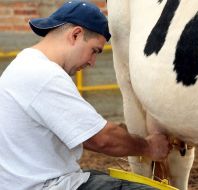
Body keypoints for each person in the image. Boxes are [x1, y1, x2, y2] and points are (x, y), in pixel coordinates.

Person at [0, 1, 170, 190]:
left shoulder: (24, 65)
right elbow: (102, 139)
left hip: (26, 182)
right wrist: (149, 147)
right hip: (48, 186)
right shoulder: (44, 75)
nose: (92, 62)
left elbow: (81, 133)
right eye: (94, 51)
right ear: (75, 35)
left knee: (99, 175)